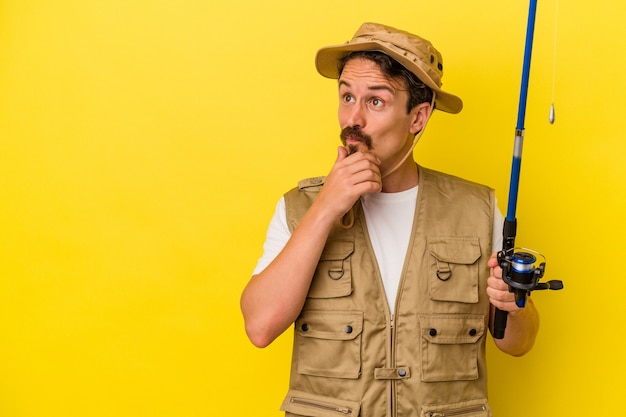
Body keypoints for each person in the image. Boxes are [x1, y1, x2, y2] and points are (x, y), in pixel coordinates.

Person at [241, 22, 539, 417]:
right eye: (347, 96)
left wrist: (515, 307)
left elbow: (517, 344)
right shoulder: (299, 208)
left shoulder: (477, 209)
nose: (354, 118)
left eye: (375, 101)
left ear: (418, 117)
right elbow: (260, 327)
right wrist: (326, 207)